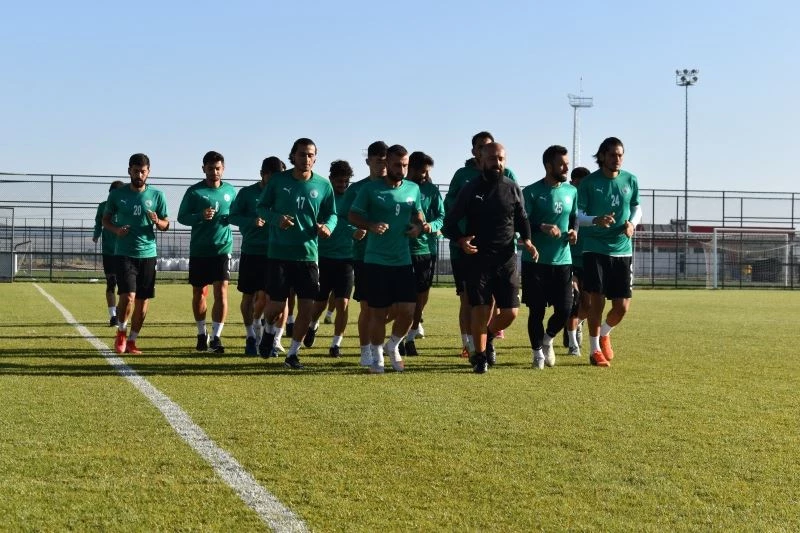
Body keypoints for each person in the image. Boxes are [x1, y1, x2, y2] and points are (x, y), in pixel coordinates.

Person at [443, 142, 536, 374]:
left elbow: (522, 218)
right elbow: (449, 223)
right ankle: (480, 356)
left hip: (506, 259)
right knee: (480, 309)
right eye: (493, 159)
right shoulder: (470, 188)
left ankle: (489, 336)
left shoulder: (512, 187)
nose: (497, 163)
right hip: (478, 260)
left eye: (501, 159)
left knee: (511, 312)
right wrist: (461, 240)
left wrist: (527, 239)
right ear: (481, 160)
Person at [256, 138, 337, 370]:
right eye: (302, 154)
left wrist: (327, 227)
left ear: (315, 158)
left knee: (307, 308)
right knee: (275, 307)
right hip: (279, 254)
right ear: (293, 156)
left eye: (310, 155)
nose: (306, 159)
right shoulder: (278, 181)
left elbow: (332, 214)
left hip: (308, 255)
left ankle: (292, 354)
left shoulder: (323, 185)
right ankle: (268, 331)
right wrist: (276, 219)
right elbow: (261, 207)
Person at [349, 144, 424, 373]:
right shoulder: (370, 189)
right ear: (387, 164)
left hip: (403, 260)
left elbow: (418, 215)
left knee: (409, 311)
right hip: (376, 261)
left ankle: (393, 345)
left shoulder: (413, 188)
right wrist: (370, 225)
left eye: (405, 165)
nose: (401, 169)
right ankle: (377, 357)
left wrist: (418, 227)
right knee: (377, 313)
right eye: (397, 165)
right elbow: (353, 215)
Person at [577, 137, 642, 367]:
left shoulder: (630, 180)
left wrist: (632, 223)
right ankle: (594, 350)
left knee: (622, 307)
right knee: (597, 301)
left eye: (620, 155)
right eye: (613, 155)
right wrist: (596, 220)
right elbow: (578, 216)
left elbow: (636, 207)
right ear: (602, 156)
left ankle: (605, 333)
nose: (617, 159)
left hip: (622, 250)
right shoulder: (588, 183)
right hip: (595, 248)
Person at [102, 153, 169, 355]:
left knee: (142, 300)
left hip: (148, 254)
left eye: (143, 171)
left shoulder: (157, 195)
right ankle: (121, 332)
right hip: (124, 253)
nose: (139, 175)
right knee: (128, 296)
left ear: (148, 172)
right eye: (136, 171)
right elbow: (105, 220)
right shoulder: (117, 195)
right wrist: (117, 230)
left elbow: (166, 224)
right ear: (129, 171)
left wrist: (157, 221)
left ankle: (132, 340)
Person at [522, 146, 578, 369]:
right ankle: (537, 353)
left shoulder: (571, 191)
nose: (566, 168)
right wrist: (541, 227)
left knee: (565, 309)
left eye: (567, 163)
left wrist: (574, 231)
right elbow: (521, 222)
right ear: (548, 166)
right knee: (536, 311)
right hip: (535, 262)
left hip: (563, 261)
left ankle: (548, 340)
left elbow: (574, 217)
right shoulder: (531, 192)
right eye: (561, 164)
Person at [177, 151, 237, 354]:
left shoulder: (230, 191)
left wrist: (233, 218)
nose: (214, 172)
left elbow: (237, 214)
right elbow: (182, 217)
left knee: (221, 291)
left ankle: (216, 337)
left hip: (222, 249)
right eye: (210, 168)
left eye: (218, 168)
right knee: (199, 293)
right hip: (200, 249)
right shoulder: (194, 192)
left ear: (223, 169)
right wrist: (200, 216)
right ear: (203, 169)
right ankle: (202, 333)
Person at [229, 156, 286, 356]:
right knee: (248, 296)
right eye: (272, 176)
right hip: (252, 251)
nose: (276, 180)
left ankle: (268, 338)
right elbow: (232, 216)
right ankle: (251, 336)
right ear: (262, 174)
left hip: (275, 253)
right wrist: (251, 222)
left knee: (272, 299)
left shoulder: (283, 194)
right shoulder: (247, 193)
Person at [340, 141, 389, 367]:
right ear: (368, 161)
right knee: (368, 306)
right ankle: (366, 351)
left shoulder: (398, 187)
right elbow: (342, 218)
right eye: (378, 161)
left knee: (397, 307)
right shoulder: (356, 189)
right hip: (365, 256)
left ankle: (388, 344)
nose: (383, 165)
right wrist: (354, 230)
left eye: (386, 161)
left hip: (393, 257)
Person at [307, 160, 355, 358]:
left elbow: (359, 219)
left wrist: (359, 230)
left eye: (346, 181)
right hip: (323, 256)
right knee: (319, 303)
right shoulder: (324, 197)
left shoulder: (353, 197)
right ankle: (312, 324)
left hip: (347, 258)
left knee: (343, 303)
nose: (343, 185)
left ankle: (336, 344)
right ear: (331, 179)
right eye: (339, 181)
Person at [404, 151, 444, 356]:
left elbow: (441, 217)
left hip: (426, 250)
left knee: (420, 297)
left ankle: (410, 337)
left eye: (427, 172)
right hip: (400, 250)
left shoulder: (432, 191)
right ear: (410, 168)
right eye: (422, 171)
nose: (425, 175)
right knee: (401, 299)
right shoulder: (400, 187)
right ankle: (396, 338)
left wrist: (429, 226)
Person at [563, 166, 592, 355]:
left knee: (588, 305)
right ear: (572, 182)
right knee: (573, 299)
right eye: (578, 183)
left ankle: (575, 325)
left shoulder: (592, 203)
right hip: (569, 259)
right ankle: (573, 344)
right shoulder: (567, 201)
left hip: (589, 258)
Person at [93, 180, 124, 326]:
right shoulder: (103, 206)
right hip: (108, 251)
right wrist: (96, 234)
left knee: (125, 286)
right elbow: (98, 222)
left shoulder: (126, 206)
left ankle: (119, 310)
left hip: (125, 250)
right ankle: (113, 316)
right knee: (111, 282)